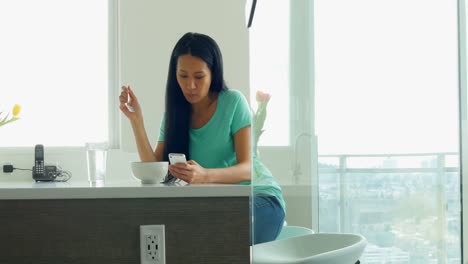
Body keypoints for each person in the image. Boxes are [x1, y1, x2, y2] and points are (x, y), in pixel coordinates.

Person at [119, 32, 285, 244]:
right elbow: (154, 171)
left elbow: (248, 169)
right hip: (217, 205)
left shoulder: (233, 102)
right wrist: (136, 120)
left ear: (213, 73)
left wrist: (204, 175)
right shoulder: (174, 115)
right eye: (183, 76)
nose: (190, 85)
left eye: (199, 77)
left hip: (261, 200)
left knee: (205, 232)